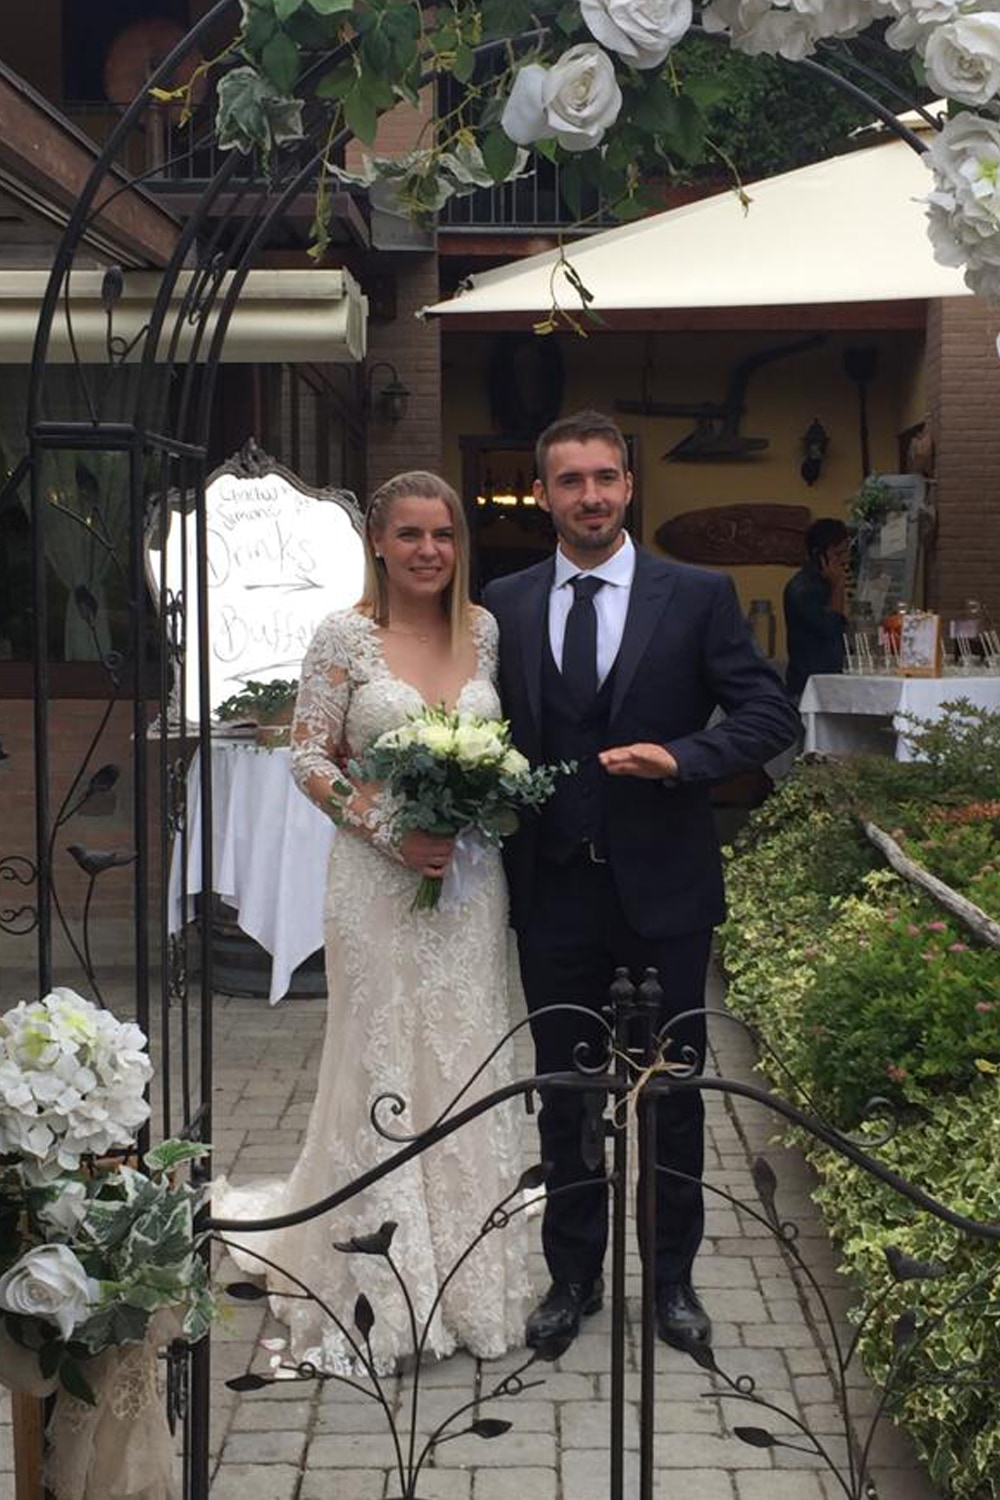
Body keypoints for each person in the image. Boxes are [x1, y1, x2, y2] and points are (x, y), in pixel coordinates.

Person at [483, 411, 800, 1354]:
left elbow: (769, 714)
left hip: (664, 895)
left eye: (605, 478)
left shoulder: (696, 594)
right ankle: (572, 1277)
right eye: (570, 480)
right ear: (543, 493)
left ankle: (672, 1283)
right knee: (566, 1093)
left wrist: (684, 758)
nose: (590, 496)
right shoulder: (504, 602)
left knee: (671, 1093)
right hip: (553, 894)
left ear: (628, 486)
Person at [215, 471, 528, 1374]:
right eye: (411, 535)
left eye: (445, 534)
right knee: (383, 1054)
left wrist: (470, 804)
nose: (429, 551)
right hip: (375, 881)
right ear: (379, 545)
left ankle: (469, 1274)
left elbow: (498, 747)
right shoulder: (343, 636)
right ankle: (383, 1285)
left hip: (469, 883)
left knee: (465, 1054)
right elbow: (308, 757)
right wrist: (390, 831)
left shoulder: (484, 631)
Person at [783, 518, 851, 701]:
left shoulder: (824, 583)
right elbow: (831, 626)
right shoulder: (803, 589)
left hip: (829, 683)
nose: (844, 560)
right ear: (819, 554)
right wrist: (838, 586)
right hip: (807, 687)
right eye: (838, 554)